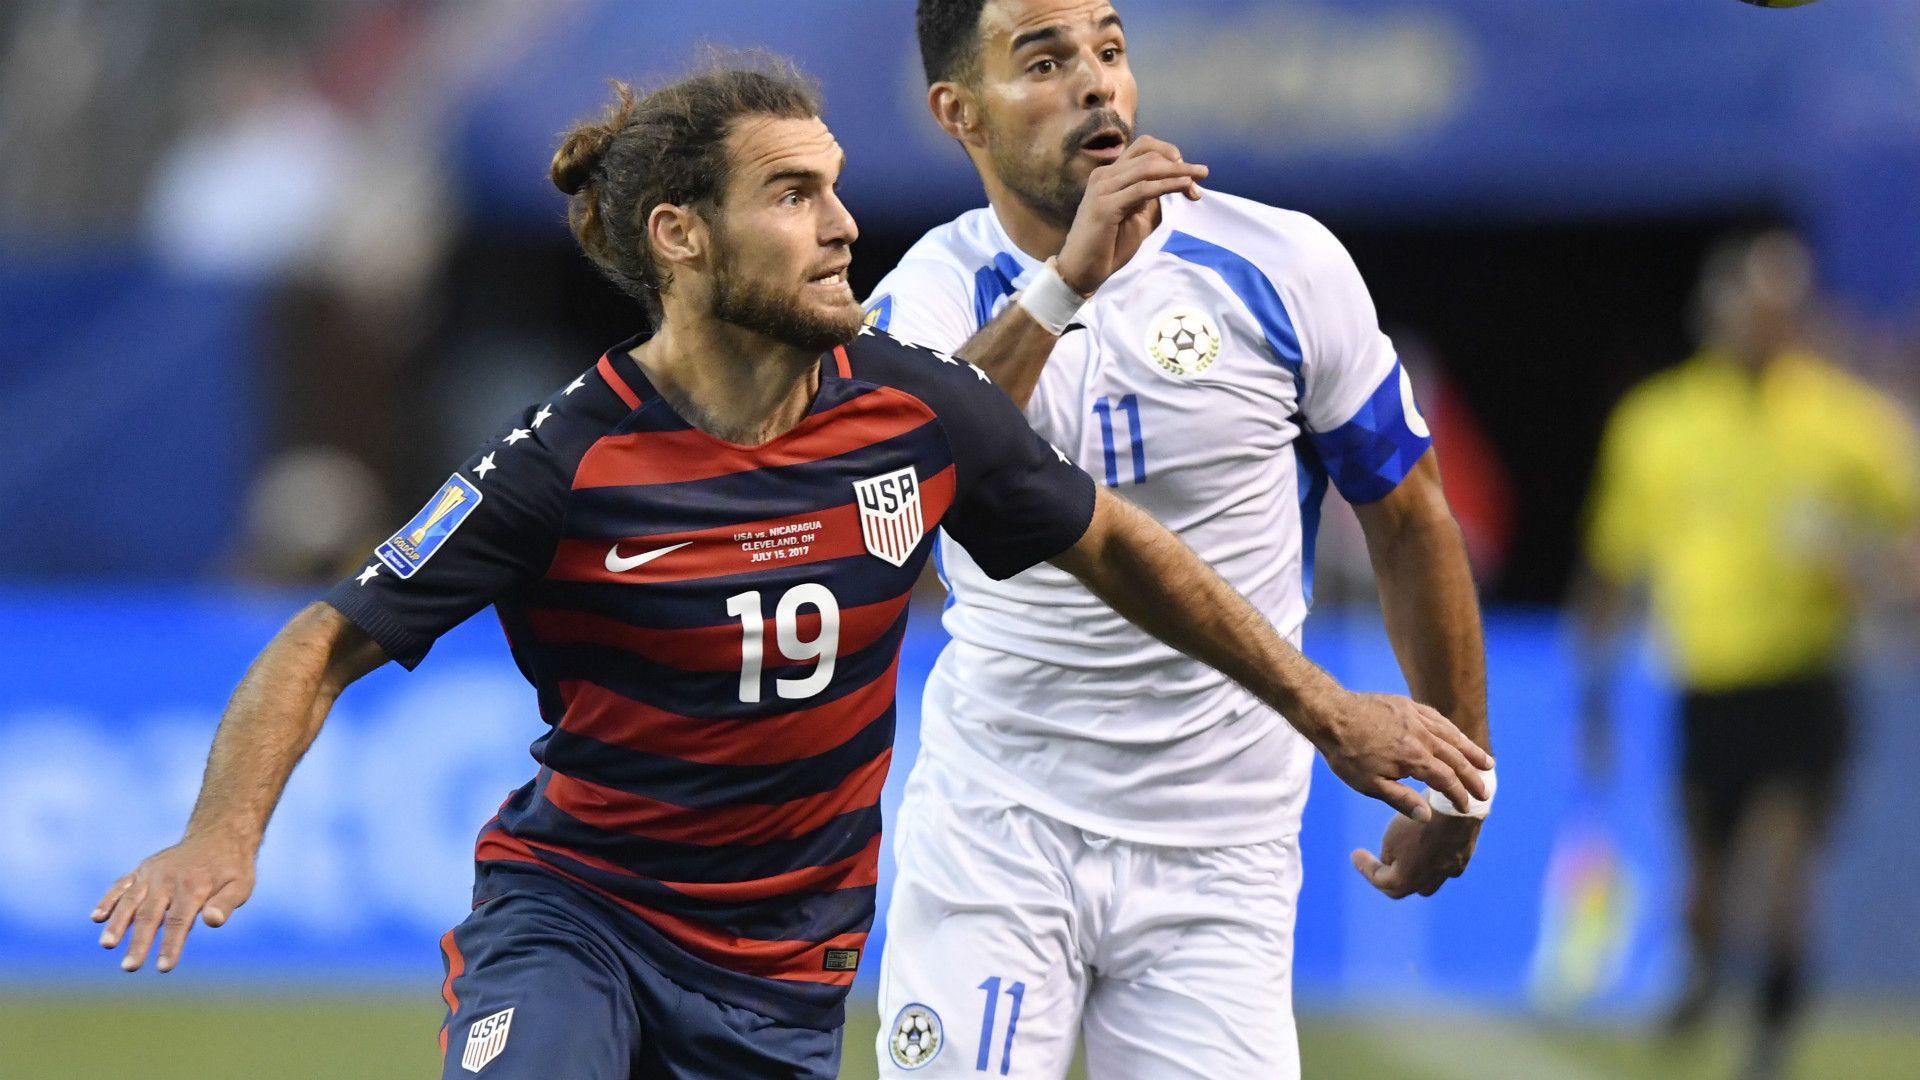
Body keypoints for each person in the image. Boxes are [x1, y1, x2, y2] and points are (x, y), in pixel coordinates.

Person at [89, 58, 1490, 1080]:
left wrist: (1330, 710)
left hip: (782, 977)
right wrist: (224, 833)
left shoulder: (914, 407)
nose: (842, 225)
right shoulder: (566, 458)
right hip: (581, 918)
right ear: (681, 237)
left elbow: (1119, 546)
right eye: (794, 195)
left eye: (835, 190)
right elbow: (326, 637)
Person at [865, 3, 1493, 1077]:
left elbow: (1410, 516)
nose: (1096, 82)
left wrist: (1459, 769)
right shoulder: (925, 296)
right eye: (1046, 62)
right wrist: (1064, 285)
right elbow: (915, 494)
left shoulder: (1282, 264)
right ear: (959, 113)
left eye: (1110, 50)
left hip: (1221, 853)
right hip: (998, 827)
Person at [1577, 229, 1919, 1080]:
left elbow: (1908, 530)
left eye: (1780, 311)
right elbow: (1614, 558)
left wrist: (1871, 572)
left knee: (1786, 855)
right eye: (1751, 310)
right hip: (1709, 680)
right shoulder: (1660, 422)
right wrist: (1595, 682)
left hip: (1803, 677)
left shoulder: (1844, 419)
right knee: (1707, 873)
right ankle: (1700, 970)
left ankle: (1773, 1022)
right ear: (1718, 314)